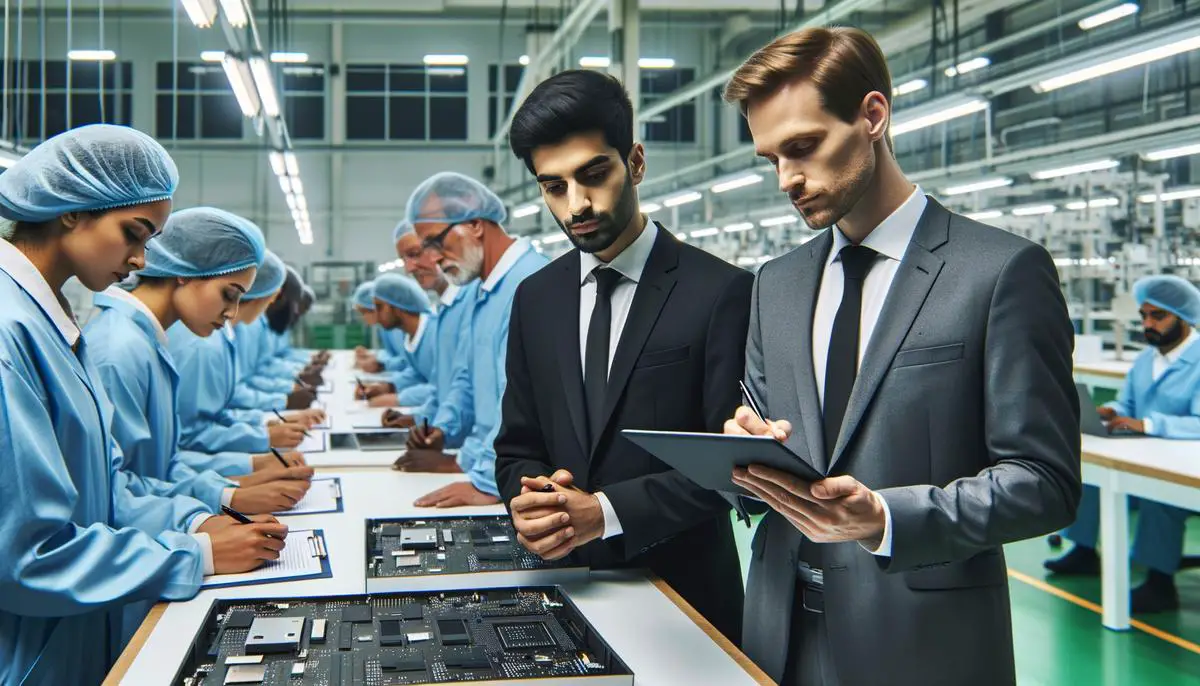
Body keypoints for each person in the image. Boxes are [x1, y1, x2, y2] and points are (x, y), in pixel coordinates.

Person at [720, 28, 1080, 685]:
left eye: (802, 147)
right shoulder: (775, 283)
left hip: (923, 646)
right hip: (778, 635)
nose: (786, 180)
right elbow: (773, 454)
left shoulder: (998, 272)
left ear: (873, 115)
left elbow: (1044, 482)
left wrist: (885, 519)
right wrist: (741, 460)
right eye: (770, 158)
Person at [0, 124, 287, 684]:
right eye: (133, 233)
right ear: (71, 210)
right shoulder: (11, 331)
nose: (140, 259)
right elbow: (23, 556)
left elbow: (109, 482)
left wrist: (201, 517)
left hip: (78, 622)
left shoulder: (49, 322)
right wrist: (193, 554)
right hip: (37, 647)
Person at [494, 69, 751, 643]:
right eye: (553, 186)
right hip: (563, 593)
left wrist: (606, 511)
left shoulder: (720, 292)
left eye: (594, 175)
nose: (576, 204)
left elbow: (733, 469)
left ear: (635, 162)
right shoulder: (535, 299)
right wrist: (531, 501)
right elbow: (516, 445)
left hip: (685, 602)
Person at [85, 205, 315, 514]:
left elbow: (163, 464)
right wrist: (200, 530)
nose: (233, 312)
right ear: (185, 270)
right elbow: (108, 493)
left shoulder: (146, 340)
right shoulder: (118, 351)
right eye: (229, 294)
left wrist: (228, 490)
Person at [1046, 275, 1200, 612]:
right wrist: (1109, 411)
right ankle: (1085, 551)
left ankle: (1161, 583)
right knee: (1090, 477)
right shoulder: (1146, 359)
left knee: (1161, 496)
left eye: (1158, 316)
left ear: (1184, 317)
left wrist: (1147, 424)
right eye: (1144, 316)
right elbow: (1127, 405)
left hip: (1185, 461)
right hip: (1149, 449)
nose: (1148, 324)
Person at [401, 172, 549, 506]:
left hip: (514, 482)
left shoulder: (532, 285)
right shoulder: (481, 293)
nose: (434, 258)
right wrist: (444, 430)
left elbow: (516, 404)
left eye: (436, 242)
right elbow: (468, 378)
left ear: (475, 225)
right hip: (487, 468)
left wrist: (485, 481)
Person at [170, 250, 317, 457]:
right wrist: (267, 428)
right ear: (275, 295)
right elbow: (190, 434)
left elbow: (218, 410)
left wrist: (263, 423)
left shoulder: (220, 334)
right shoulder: (203, 342)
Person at [388, 219, 477, 448]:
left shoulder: (473, 305)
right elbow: (441, 387)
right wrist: (422, 420)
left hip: (473, 452)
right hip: (452, 442)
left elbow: (480, 394)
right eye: (404, 259)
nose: (409, 268)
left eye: (416, 253)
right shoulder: (445, 312)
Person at [357, 271, 437, 409]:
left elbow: (445, 389)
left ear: (397, 307)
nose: (375, 313)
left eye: (379, 307)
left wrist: (399, 399)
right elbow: (418, 373)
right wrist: (388, 387)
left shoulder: (435, 335)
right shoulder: (411, 336)